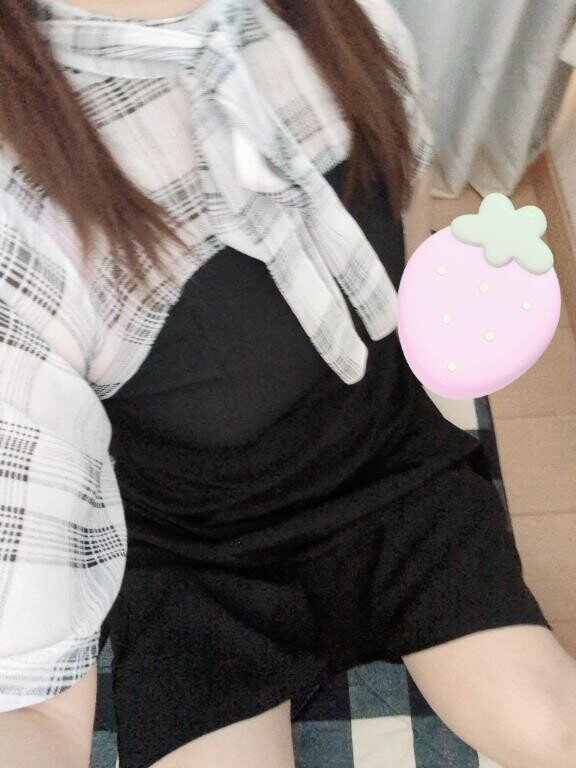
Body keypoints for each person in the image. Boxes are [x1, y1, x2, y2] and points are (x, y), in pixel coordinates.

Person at [0, 1, 575, 767]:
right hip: (199, 558)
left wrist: (463, 311)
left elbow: (404, 228)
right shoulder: (21, 205)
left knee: (552, 723)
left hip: (393, 472)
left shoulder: (352, 19)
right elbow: (35, 707)